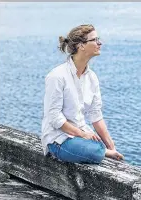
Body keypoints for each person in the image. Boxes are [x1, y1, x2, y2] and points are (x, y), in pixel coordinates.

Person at [41, 24, 124, 163]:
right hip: (58, 141)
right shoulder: (57, 76)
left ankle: (104, 150)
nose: (100, 43)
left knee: (98, 147)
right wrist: (83, 134)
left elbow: (95, 115)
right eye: (95, 39)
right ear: (81, 46)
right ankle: (101, 151)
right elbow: (54, 117)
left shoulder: (92, 78)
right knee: (97, 152)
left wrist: (112, 146)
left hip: (79, 138)